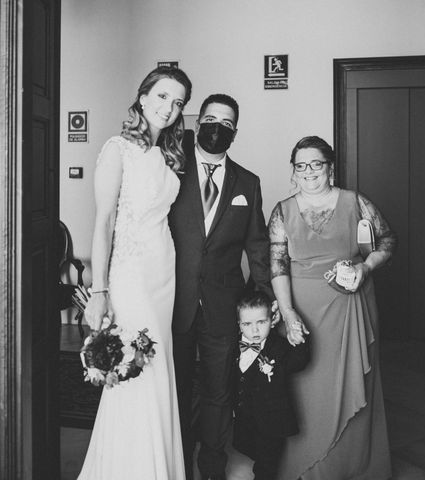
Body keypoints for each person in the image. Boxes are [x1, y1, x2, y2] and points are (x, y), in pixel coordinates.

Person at [78, 66, 193, 479]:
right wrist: (100, 291)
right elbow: (103, 221)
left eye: (178, 102)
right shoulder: (117, 148)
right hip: (130, 275)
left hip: (164, 273)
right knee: (138, 367)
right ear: (142, 97)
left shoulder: (167, 154)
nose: (169, 108)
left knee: (159, 366)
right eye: (163, 96)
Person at [269, 136, 397, 480]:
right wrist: (288, 312)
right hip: (302, 310)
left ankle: (353, 465)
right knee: (304, 387)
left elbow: (387, 240)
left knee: (356, 382)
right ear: (293, 172)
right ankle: (307, 467)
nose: (308, 171)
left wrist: (364, 268)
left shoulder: (356, 203)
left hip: (350, 306)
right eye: (301, 165)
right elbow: (277, 265)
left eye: (316, 163)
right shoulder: (282, 210)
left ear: (330, 167)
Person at [169, 93, 274, 480]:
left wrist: (261, 297)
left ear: (234, 133)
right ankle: (177, 463)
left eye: (226, 124)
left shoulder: (248, 182)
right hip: (172, 300)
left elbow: (258, 246)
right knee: (175, 390)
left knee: (218, 391)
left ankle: (211, 467)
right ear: (199, 122)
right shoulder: (171, 170)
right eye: (211, 119)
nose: (217, 127)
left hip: (224, 304)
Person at [232, 291, 310, 480]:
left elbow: (299, 362)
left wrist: (298, 338)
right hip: (247, 418)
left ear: (272, 320)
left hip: (272, 421)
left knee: (267, 465)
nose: (255, 330)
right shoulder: (233, 347)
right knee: (253, 451)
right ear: (239, 324)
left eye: (261, 322)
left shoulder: (279, 347)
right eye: (247, 324)